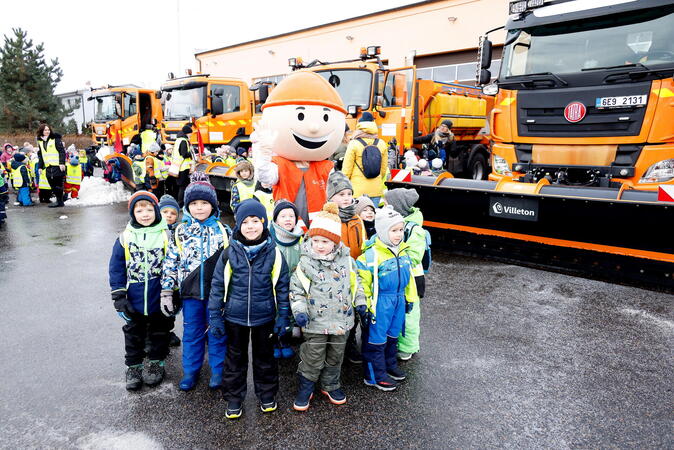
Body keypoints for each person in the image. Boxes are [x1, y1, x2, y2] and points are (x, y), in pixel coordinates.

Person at [208, 199, 290, 420]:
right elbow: (217, 286)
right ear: (238, 225)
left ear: (264, 223)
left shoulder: (275, 253)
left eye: (256, 221)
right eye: (245, 221)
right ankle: (234, 398)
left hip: (265, 317)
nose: (251, 226)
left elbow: (282, 287)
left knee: (265, 360)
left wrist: (283, 316)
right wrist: (215, 316)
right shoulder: (229, 253)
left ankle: (267, 394)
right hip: (234, 317)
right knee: (234, 360)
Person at [290, 202, 366, 411]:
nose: (320, 245)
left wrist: (360, 303)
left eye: (325, 241)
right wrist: (300, 311)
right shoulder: (306, 264)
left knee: (335, 356)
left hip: (341, 321)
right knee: (312, 356)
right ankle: (306, 387)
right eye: (316, 241)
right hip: (315, 322)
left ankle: (331, 384)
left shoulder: (348, 261)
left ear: (335, 241)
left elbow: (356, 284)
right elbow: (297, 290)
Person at [161, 178, 229, 391]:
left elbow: (233, 264)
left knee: (217, 332)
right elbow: (171, 261)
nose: (199, 208)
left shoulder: (223, 231)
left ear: (213, 206)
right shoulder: (181, 232)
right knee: (192, 333)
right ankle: (191, 370)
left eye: (204, 203)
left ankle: (218, 371)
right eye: (194, 204)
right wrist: (166, 290)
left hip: (216, 294)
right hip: (190, 295)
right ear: (187, 207)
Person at [108, 191, 172, 390]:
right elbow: (116, 267)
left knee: (160, 331)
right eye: (139, 209)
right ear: (133, 213)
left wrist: (174, 293)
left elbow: (175, 264)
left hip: (159, 294)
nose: (145, 214)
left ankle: (156, 363)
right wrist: (119, 296)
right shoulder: (125, 238)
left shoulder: (166, 235)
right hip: (134, 296)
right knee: (133, 333)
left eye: (149, 209)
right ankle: (134, 366)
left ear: (157, 211)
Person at [356, 206, 418, 391]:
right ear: (383, 231)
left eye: (401, 230)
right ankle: (374, 375)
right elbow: (363, 283)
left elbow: (410, 281)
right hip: (380, 302)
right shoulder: (370, 256)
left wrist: (409, 298)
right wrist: (365, 306)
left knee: (393, 335)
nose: (398, 235)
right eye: (393, 230)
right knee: (376, 338)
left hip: (398, 301)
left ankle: (389, 365)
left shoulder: (403, 252)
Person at [326, 171, 367, 364]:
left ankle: (350, 343)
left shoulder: (357, 219)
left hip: (354, 273)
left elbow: (363, 245)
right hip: (334, 274)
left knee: (353, 311)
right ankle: (333, 346)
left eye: (349, 194)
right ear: (331, 196)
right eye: (341, 194)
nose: (346, 198)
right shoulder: (326, 218)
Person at [384, 188, 427, 361]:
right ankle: (394, 341)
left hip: (412, 279)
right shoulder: (393, 223)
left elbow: (415, 256)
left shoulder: (414, 230)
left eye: (387, 204)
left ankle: (408, 346)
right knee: (396, 310)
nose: (383, 206)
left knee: (409, 312)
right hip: (396, 275)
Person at [269, 199, 303, 359]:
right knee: (276, 313)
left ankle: (285, 341)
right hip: (274, 286)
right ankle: (274, 342)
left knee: (289, 313)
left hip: (294, 285)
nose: (288, 219)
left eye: (291, 215)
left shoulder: (301, 238)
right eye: (283, 216)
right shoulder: (270, 239)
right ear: (275, 219)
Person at [342, 112, 389, 205]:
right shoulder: (382, 143)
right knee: (371, 216)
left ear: (359, 127)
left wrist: (344, 187)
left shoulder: (353, 143)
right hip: (376, 190)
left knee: (357, 218)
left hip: (357, 190)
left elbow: (346, 170)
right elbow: (383, 170)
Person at [158, 194, 183, 348]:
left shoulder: (178, 232)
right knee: (157, 310)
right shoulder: (156, 231)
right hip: (158, 279)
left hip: (174, 280)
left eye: (173, 213)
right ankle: (153, 336)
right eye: (165, 212)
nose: (169, 215)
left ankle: (169, 331)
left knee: (171, 307)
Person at [36, 123, 66, 208]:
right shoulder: (40, 141)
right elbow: (41, 155)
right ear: (41, 131)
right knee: (51, 184)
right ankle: (60, 200)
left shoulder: (55, 139)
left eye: (48, 130)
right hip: (48, 166)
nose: (47, 131)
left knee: (58, 184)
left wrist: (61, 163)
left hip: (57, 165)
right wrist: (40, 167)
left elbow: (61, 151)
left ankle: (60, 202)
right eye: (45, 130)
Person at [171, 125, 194, 206]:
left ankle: (178, 202)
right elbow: (184, 154)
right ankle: (181, 203)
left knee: (179, 186)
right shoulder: (184, 141)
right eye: (190, 133)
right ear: (187, 133)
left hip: (177, 167)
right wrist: (191, 153)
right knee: (183, 186)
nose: (191, 135)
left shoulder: (178, 140)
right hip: (183, 167)